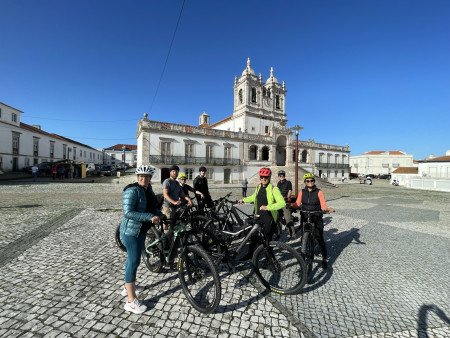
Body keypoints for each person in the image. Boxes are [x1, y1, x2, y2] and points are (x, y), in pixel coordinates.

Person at [119, 165, 161, 314]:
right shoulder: (132, 190)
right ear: (137, 178)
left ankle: (127, 287)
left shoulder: (148, 190)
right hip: (131, 232)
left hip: (141, 230)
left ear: (150, 178)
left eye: (146, 177)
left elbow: (152, 207)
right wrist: (149, 217)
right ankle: (130, 301)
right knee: (133, 261)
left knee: (133, 260)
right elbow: (128, 212)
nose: (143, 179)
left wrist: (160, 214)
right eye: (140, 177)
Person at [238, 167, 286, 260]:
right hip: (258, 216)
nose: (263, 179)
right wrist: (243, 200)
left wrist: (268, 207)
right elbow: (254, 197)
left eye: (266, 177)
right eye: (262, 177)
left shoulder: (274, 189)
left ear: (269, 177)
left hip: (269, 218)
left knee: (267, 240)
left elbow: (282, 203)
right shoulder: (259, 187)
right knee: (254, 237)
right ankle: (250, 254)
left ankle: (270, 260)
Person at [291, 173, 335, 270]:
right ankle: (303, 259)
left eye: (312, 180)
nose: (310, 182)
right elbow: (298, 203)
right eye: (308, 181)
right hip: (305, 217)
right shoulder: (302, 192)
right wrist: (290, 206)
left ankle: (324, 259)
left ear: (314, 181)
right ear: (305, 182)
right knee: (304, 238)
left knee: (319, 238)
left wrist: (327, 209)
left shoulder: (319, 192)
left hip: (316, 217)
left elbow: (323, 205)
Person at [161, 165, 192, 231]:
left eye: (177, 171)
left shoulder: (177, 183)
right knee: (167, 227)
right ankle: (165, 240)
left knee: (175, 225)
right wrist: (174, 202)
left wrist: (188, 199)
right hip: (168, 207)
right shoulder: (167, 181)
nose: (175, 173)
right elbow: (165, 194)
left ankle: (172, 239)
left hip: (175, 208)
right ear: (170, 172)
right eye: (173, 171)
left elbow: (182, 194)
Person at [276, 170, 295, 239]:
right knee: (278, 217)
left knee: (288, 218)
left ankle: (292, 234)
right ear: (278, 177)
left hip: (285, 201)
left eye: (283, 175)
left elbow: (290, 190)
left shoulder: (288, 182)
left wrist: (287, 197)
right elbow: (277, 192)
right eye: (280, 176)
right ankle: (281, 230)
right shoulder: (278, 183)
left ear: (284, 176)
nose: (282, 177)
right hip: (279, 202)